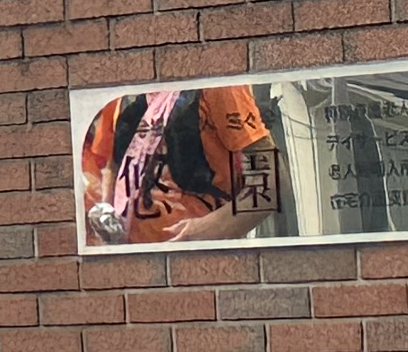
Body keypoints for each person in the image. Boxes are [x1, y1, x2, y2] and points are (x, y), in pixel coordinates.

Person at [80, 83, 275, 244]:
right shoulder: (125, 95)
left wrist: (205, 232)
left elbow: (272, 184)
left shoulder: (220, 87)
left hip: (198, 262)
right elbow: (114, 164)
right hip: (134, 257)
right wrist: (106, 209)